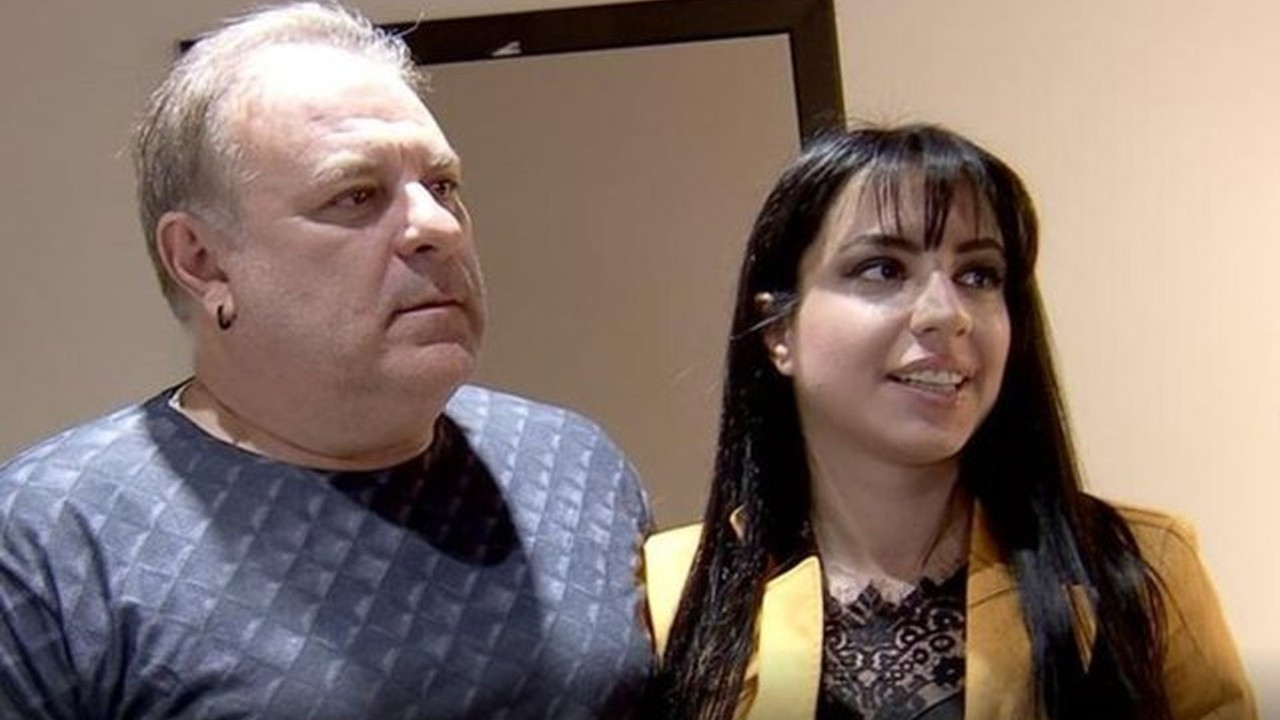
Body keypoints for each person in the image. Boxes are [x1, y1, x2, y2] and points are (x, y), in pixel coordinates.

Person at [0, 3, 652, 718]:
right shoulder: (49, 539)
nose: (436, 226)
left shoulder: (574, 465)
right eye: (356, 195)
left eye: (442, 186)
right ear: (203, 260)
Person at [643, 124, 1255, 720]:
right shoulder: (671, 589)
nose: (946, 312)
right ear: (780, 331)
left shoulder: (1138, 568)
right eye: (882, 269)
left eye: (978, 276)